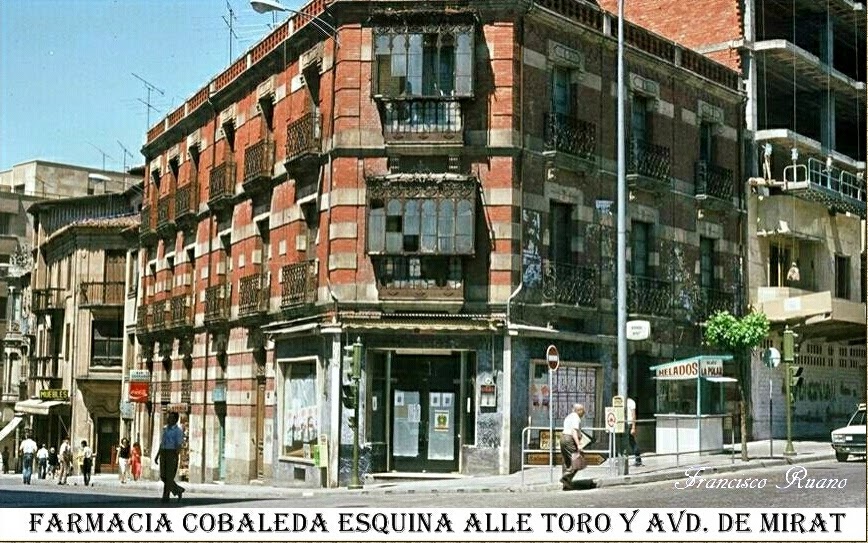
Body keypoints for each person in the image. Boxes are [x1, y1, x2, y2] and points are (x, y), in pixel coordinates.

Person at [154, 411, 185, 502]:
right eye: (168, 417)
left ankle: (165, 496)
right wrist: (157, 455)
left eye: (171, 417)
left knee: (169, 476)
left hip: (172, 453)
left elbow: (179, 444)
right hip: (163, 452)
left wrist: (176, 456)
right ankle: (178, 490)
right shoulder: (165, 429)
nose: (168, 419)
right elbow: (162, 443)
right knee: (163, 475)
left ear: (175, 419)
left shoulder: (178, 431)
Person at [559, 403, 586, 490]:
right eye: (583, 410)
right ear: (578, 410)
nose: (584, 412)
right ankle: (566, 477)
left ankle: (566, 484)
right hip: (569, 439)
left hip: (563, 437)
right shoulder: (576, 418)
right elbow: (574, 432)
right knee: (578, 460)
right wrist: (578, 445)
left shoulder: (569, 416)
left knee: (566, 460)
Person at [627, 397, 643, 467]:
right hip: (622, 424)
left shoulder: (631, 402)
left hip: (629, 424)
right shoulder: (620, 400)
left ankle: (638, 459)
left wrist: (633, 427)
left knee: (631, 442)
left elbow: (634, 415)